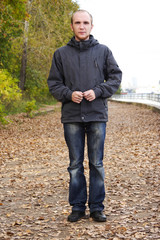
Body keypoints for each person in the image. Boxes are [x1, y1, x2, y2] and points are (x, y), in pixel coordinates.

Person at [47, 9, 122, 222]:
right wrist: (69, 94)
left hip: (97, 114)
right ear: (71, 26)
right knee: (75, 164)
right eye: (77, 22)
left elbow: (115, 78)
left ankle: (97, 207)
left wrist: (97, 91)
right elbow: (54, 83)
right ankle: (78, 207)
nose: (81, 26)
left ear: (91, 26)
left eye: (85, 22)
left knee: (96, 163)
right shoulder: (60, 53)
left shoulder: (104, 51)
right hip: (71, 116)